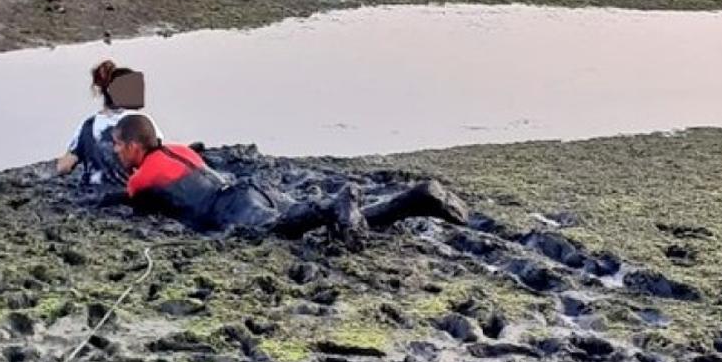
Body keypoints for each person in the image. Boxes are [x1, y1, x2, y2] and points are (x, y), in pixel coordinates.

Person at [109, 114, 468, 242]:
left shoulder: (143, 178)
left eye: (118, 146)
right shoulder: (180, 150)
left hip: (231, 210)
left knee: (284, 229)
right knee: (314, 223)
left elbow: (132, 196)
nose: (116, 153)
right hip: (248, 190)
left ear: (134, 145)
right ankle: (414, 200)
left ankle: (333, 204)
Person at [56, 60, 160, 187]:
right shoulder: (142, 122)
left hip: (93, 192)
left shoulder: (89, 124)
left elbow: (64, 167)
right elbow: (158, 159)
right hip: (130, 190)